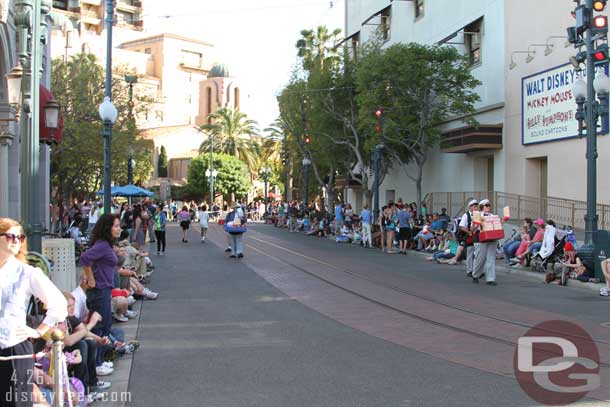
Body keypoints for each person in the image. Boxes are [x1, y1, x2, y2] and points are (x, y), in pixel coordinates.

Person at [0, 217, 68, 407]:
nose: (16, 241)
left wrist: (38, 330)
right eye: (11, 236)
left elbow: (58, 304)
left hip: (14, 349)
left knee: (15, 401)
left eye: (20, 237)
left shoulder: (27, 272)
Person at [79, 214, 121, 367]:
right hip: (99, 291)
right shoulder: (102, 245)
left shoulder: (105, 245)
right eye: (116, 226)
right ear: (107, 228)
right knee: (100, 326)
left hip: (104, 290)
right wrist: (91, 279)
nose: (119, 229)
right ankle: (97, 363)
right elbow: (84, 258)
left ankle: (100, 360)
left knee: (105, 325)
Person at [471, 199, 500, 285]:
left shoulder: (492, 215)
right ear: (482, 207)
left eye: (489, 205)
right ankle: (475, 275)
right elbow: (473, 229)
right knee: (480, 258)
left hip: (492, 238)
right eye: (486, 205)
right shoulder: (477, 215)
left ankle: (490, 279)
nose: (488, 207)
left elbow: (497, 226)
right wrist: (476, 224)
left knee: (491, 259)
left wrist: (502, 221)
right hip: (481, 238)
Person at [459, 199, 478, 277]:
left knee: (478, 254)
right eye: (474, 206)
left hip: (478, 235)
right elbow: (461, 226)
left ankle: (476, 270)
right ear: (470, 207)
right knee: (470, 253)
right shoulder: (466, 215)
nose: (476, 208)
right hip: (470, 235)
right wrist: (468, 232)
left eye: (476, 206)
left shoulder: (478, 214)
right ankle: (469, 270)